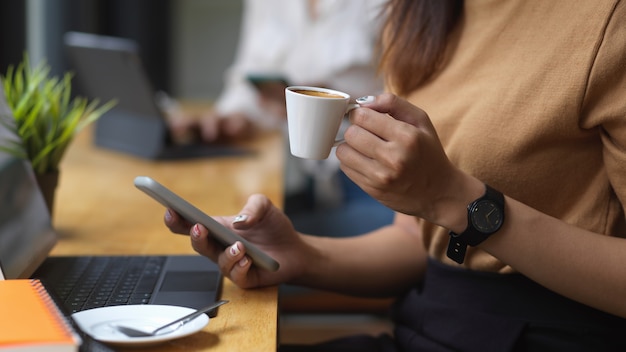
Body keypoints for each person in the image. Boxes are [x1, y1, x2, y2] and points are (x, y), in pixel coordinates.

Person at [164, 0, 626, 350]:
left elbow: (449, 208)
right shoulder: (420, 13)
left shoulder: (606, 21)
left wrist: (456, 200)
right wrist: (300, 255)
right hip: (423, 325)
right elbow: (416, 241)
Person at [168, 0, 392, 235]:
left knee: (254, 236)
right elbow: (246, 78)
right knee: (242, 227)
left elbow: (413, 103)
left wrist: (338, 104)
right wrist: (231, 119)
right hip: (303, 179)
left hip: (370, 183)